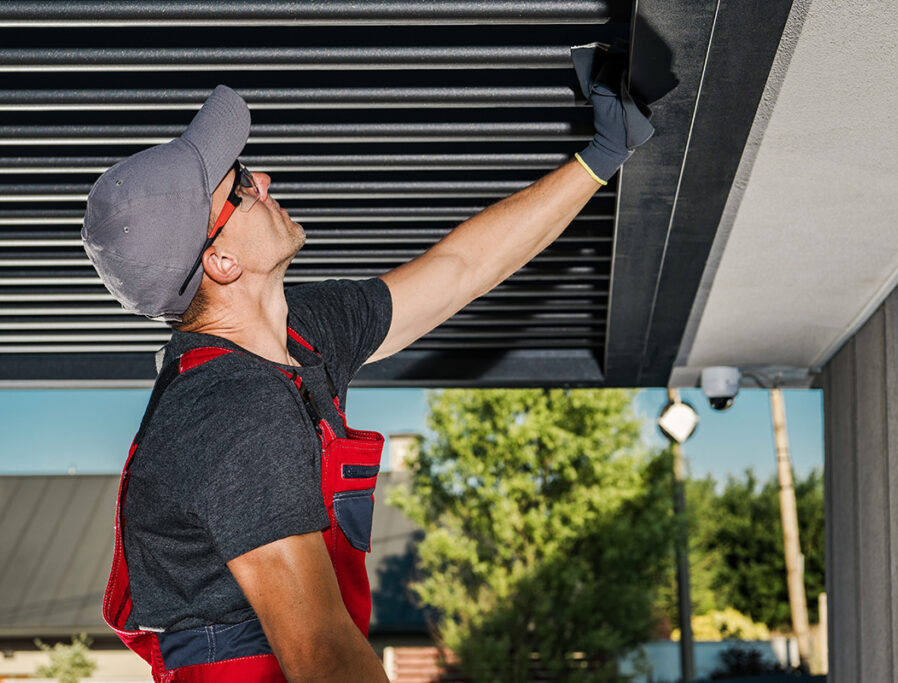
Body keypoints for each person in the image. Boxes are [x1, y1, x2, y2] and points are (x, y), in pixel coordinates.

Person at [85, 44, 653, 683]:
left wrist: (600, 158)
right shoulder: (230, 412)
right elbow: (320, 655)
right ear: (221, 263)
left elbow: (457, 271)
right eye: (241, 185)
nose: (263, 179)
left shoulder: (301, 334)